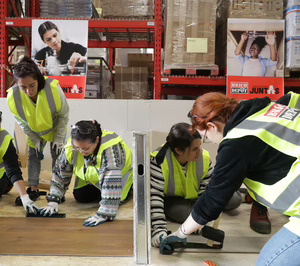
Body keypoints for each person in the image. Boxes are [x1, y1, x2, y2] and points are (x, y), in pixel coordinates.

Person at [161, 92, 300, 265]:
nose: (209, 142)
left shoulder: (235, 144)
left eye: (205, 138)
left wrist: (180, 233)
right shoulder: (269, 107)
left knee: (268, 262)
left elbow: (211, 202)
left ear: (211, 126)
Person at [150, 122, 242, 248]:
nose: (200, 152)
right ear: (178, 150)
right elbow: (155, 200)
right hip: (173, 200)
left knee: (235, 200)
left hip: (197, 197)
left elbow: (207, 193)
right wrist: (159, 232)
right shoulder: (158, 161)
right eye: (194, 149)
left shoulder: (203, 158)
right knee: (185, 214)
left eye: (200, 146)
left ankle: (196, 218)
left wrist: (203, 215)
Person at [40, 120, 133, 227]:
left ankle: (130, 187)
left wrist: (104, 214)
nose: (81, 151)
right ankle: (98, 189)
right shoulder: (72, 146)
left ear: (97, 140)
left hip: (117, 177)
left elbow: (111, 180)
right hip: (91, 175)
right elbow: (60, 173)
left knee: (114, 200)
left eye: (86, 148)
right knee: (81, 197)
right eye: (78, 148)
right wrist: (54, 200)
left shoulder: (111, 150)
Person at [7, 56, 69, 202]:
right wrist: (34, 138)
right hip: (34, 131)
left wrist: (59, 138)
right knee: (33, 157)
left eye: (32, 85)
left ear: (38, 80)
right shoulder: (13, 96)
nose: (28, 91)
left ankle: (57, 190)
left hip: (55, 128)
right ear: (17, 83)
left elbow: (64, 115)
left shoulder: (53, 89)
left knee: (57, 157)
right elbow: (21, 121)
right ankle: (33, 189)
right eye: (23, 87)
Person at [0, 111, 38, 214]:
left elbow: (13, 169)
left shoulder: (4, 139)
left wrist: (24, 197)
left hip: (2, 176)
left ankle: (6, 185)